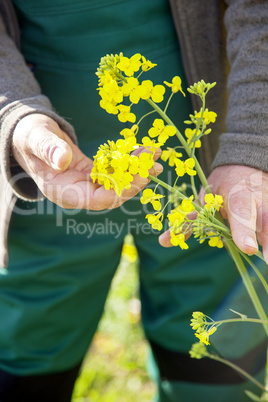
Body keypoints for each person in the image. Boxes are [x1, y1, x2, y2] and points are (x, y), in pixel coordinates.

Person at [0, 0, 267, 401]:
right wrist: (13, 114)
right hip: (41, 177)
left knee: (217, 352)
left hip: (206, 164)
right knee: (27, 350)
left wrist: (253, 142)